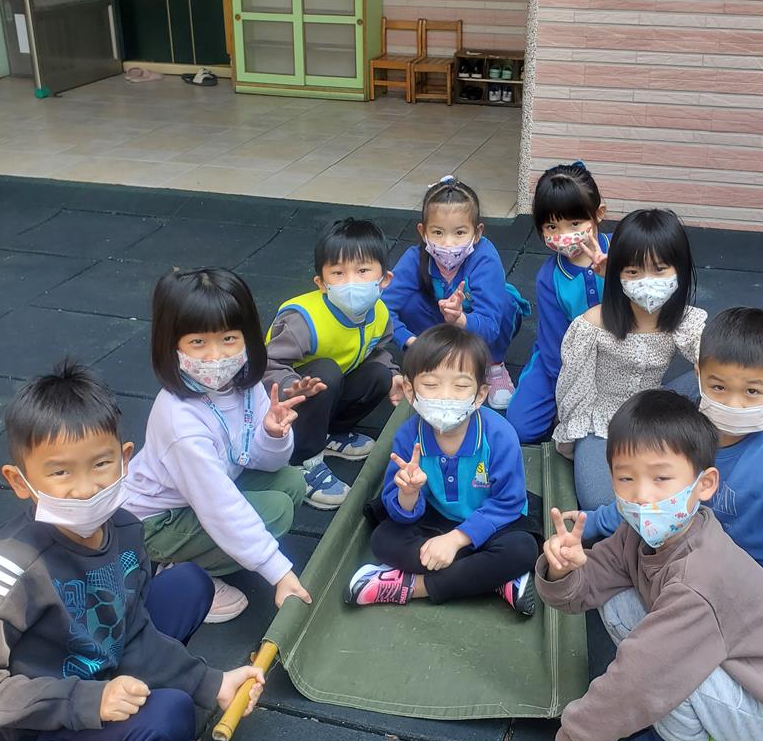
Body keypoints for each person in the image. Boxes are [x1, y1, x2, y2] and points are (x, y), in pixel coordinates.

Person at [0, 362, 267, 741]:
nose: (83, 488)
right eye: (59, 472)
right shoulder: (6, 571)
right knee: (170, 717)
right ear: (20, 481)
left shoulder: (124, 527)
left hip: (94, 661)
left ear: (124, 459)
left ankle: (127, 705)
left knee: (188, 585)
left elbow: (132, 630)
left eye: (100, 465)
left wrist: (213, 683)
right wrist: (87, 701)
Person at [537, 389, 763, 741]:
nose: (642, 496)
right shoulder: (642, 533)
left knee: (661, 666)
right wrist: (561, 570)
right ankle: (684, 718)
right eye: (625, 478)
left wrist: (577, 732)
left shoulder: (699, 578)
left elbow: (646, 672)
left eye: (661, 478)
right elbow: (589, 585)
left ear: (704, 484)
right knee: (619, 604)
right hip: (743, 671)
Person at [581, 308, 763, 612]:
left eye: (752, 391)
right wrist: (587, 524)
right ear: (698, 374)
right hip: (699, 562)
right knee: (621, 581)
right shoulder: (685, 436)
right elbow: (650, 495)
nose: (733, 403)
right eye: (718, 387)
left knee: (631, 606)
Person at [123, 268, 311, 624]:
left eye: (229, 339)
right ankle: (179, 571)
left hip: (196, 497)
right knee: (274, 511)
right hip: (154, 523)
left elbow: (260, 460)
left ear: (247, 338)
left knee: (291, 482)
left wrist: (272, 435)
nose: (215, 356)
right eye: (198, 342)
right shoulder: (180, 421)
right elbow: (218, 505)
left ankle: (212, 553)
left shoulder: (244, 385)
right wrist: (279, 572)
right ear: (172, 345)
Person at [345, 324, 539, 614]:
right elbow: (397, 509)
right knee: (384, 540)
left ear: (480, 394)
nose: (445, 396)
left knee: (522, 549)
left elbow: (508, 503)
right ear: (410, 391)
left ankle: (411, 586)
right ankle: (494, 579)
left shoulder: (500, 435)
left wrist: (455, 540)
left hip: (489, 523)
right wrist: (408, 494)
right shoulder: (408, 436)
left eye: (460, 386)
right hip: (434, 519)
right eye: (431, 385)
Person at [553, 208, 705, 513]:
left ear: (679, 269)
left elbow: (710, 361)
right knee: (599, 500)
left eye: (660, 270)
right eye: (633, 272)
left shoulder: (683, 320)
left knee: (715, 379)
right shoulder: (591, 326)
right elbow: (574, 390)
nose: (648, 282)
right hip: (603, 421)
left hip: (653, 406)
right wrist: (575, 439)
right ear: (619, 274)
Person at [264, 217, 404, 510]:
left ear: (384, 279)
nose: (352, 282)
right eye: (338, 273)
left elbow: (376, 350)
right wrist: (292, 385)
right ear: (322, 283)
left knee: (379, 374)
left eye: (363, 271)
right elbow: (267, 363)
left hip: (327, 393)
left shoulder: (379, 312)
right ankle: (302, 459)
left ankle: (331, 434)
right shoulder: (303, 320)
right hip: (287, 402)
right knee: (326, 370)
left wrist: (392, 374)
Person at [382, 175, 529, 411]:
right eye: (437, 232)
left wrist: (461, 319)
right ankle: (433, 355)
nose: (448, 243)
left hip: (476, 323)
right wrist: (409, 340)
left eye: (459, 232)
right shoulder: (415, 258)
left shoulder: (484, 258)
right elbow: (383, 309)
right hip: (438, 321)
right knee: (409, 302)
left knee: (506, 301)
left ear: (477, 232)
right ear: (423, 231)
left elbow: (490, 325)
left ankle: (494, 365)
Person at [506, 161, 610, 443]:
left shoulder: (624, 251)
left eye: (575, 224)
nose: (564, 235)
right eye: (552, 226)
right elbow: (554, 345)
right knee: (521, 427)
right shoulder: (549, 277)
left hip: (618, 355)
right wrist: (570, 390)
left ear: (598, 214)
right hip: (564, 362)